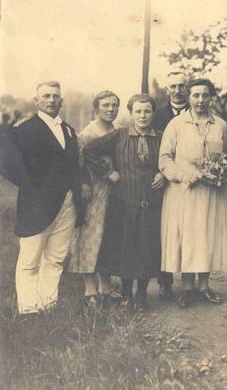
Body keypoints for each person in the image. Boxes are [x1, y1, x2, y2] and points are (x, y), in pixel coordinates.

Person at [4, 81, 82, 315]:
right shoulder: (25, 129)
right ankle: (28, 310)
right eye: (46, 96)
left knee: (56, 257)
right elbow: (6, 159)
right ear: (36, 101)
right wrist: (28, 183)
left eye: (56, 96)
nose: (51, 100)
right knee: (30, 259)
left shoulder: (68, 129)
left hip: (66, 203)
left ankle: (48, 304)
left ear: (61, 101)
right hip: (36, 204)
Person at [84, 94, 165, 311]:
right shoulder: (119, 135)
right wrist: (108, 172)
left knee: (147, 248)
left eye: (147, 111)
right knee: (126, 247)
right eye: (138, 111)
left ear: (153, 113)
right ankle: (127, 292)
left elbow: (171, 158)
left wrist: (163, 173)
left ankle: (142, 293)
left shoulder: (161, 137)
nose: (142, 115)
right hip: (124, 202)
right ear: (131, 113)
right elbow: (89, 151)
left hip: (151, 203)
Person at [159, 79, 227, 308]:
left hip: (211, 194)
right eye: (196, 95)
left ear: (212, 97)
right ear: (189, 97)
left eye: (205, 95)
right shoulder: (176, 124)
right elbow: (164, 158)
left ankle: (204, 286)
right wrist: (181, 175)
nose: (200, 100)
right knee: (187, 237)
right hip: (184, 193)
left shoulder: (220, 125)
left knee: (206, 236)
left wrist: (221, 174)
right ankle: (186, 288)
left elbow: (226, 157)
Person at [69, 90, 121, 309]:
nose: (110, 109)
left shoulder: (116, 131)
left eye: (114, 105)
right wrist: (83, 186)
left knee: (108, 240)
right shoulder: (87, 133)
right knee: (89, 239)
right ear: (96, 108)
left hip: (112, 192)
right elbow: (77, 165)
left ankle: (106, 288)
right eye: (106, 105)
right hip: (92, 193)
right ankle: (90, 290)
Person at [152, 76, 189, 299]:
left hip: (188, 182)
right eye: (173, 87)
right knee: (165, 230)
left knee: (188, 229)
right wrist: (161, 173)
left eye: (181, 86)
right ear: (167, 90)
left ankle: (189, 280)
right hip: (163, 180)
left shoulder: (196, 113)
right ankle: (164, 279)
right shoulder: (157, 115)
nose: (177, 91)